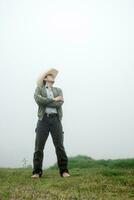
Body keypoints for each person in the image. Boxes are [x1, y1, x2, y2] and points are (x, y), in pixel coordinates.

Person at [31, 68, 70, 178]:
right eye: (49, 75)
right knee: (39, 146)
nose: (52, 76)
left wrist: (48, 101)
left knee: (59, 146)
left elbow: (60, 103)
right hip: (43, 120)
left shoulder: (58, 90)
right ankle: (37, 172)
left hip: (55, 120)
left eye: (52, 76)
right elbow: (39, 101)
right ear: (45, 79)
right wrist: (54, 99)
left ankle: (64, 171)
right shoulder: (39, 89)